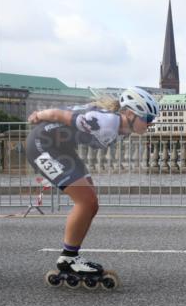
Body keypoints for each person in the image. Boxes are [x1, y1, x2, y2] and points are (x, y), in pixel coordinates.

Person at [27, 87, 159, 290]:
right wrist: (38, 115)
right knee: (86, 202)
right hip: (42, 146)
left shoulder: (122, 127)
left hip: (62, 149)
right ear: (131, 114)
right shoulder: (107, 122)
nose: (151, 123)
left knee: (92, 204)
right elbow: (57, 114)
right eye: (148, 118)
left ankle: (72, 255)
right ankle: (68, 258)